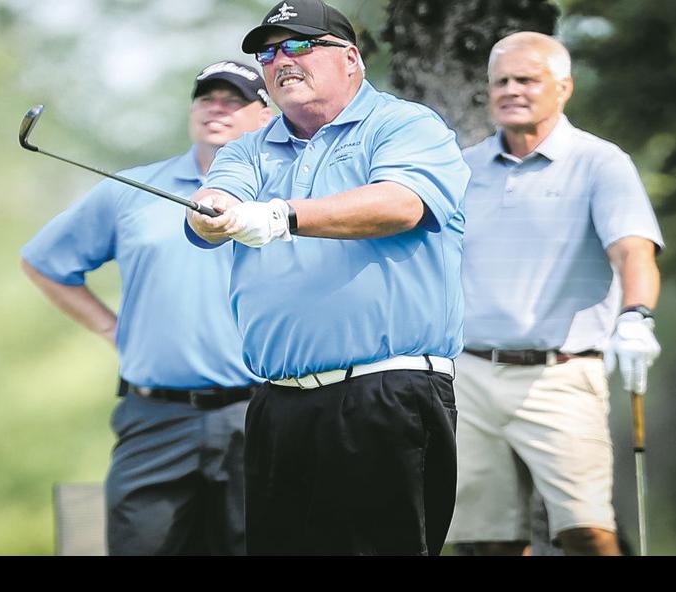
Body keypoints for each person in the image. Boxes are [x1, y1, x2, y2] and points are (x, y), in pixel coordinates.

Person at [185, 0, 470, 555]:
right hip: (278, 404)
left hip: (386, 393)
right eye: (269, 53)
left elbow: (401, 204)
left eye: (299, 45)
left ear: (351, 59)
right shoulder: (249, 148)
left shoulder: (404, 125)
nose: (281, 60)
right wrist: (212, 212)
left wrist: (282, 215)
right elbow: (215, 202)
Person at [20, 61, 273, 555]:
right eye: (206, 98)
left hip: (258, 412)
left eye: (234, 100)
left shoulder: (289, 196)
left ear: (266, 116)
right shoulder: (131, 189)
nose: (216, 108)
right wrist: (110, 329)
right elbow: (44, 262)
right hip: (154, 416)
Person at [445, 31, 663, 556]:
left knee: (587, 532)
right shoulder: (463, 168)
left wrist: (636, 316)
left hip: (560, 374)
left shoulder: (600, 162)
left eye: (526, 79)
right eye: (501, 81)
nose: (510, 90)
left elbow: (633, 250)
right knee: (485, 542)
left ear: (563, 88)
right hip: (470, 373)